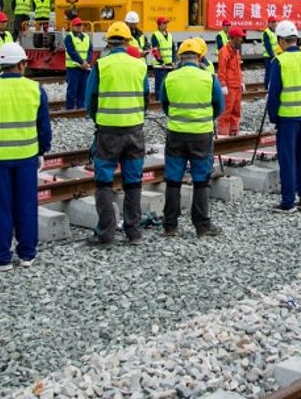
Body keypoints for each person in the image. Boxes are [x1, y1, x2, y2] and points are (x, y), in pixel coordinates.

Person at [0, 42, 51, 270]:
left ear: (0, 65)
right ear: (22, 64)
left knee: (1, 207)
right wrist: (42, 151)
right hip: (27, 156)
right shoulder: (35, 89)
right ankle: (27, 255)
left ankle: (1, 258)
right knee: (27, 205)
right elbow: (44, 127)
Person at [84, 21, 149, 247]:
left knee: (103, 182)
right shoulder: (139, 65)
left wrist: (100, 119)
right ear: (128, 42)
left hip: (108, 132)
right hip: (134, 130)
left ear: (108, 43)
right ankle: (134, 232)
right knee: (133, 181)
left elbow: (90, 100)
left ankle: (105, 234)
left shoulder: (101, 66)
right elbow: (145, 97)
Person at [159, 38, 224, 237]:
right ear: (200, 57)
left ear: (180, 58)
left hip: (176, 134)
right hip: (201, 135)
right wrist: (205, 119)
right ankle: (202, 226)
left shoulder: (170, 78)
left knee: (173, 178)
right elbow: (219, 106)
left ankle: (170, 225)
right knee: (201, 179)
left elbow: (164, 104)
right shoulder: (209, 78)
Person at [265, 20, 301, 212]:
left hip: (287, 118)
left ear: (281, 40)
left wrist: (273, 118)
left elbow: (274, 93)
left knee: (287, 160)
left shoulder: (279, 62)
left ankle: (288, 202)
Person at [217, 26, 245, 136]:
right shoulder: (224, 52)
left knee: (236, 111)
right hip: (229, 87)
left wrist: (241, 82)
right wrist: (223, 84)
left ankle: (233, 132)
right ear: (233, 38)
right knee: (226, 111)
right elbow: (221, 69)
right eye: (239, 37)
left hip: (236, 86)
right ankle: (223, 133)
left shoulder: (236, 51)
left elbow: (238, 69)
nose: (241, 40)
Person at [62, 11, 93, 111]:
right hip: (73, 67)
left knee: (83, 88)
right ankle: (70, 107)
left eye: (80, 25)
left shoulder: (86, 37)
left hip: (84, 67)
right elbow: (71, 51)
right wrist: (82, 62)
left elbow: (90, 50)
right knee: (72, 88)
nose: (79, 27)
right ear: (73, 27)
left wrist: (87, 62)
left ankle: (81, 107)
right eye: (77, 25)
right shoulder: (69, 37)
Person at [148, 16, 175, 100]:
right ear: (159, 25)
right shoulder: (155, 36)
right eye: (164, 23)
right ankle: (159, 102)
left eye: (166, 23)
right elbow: (155, 50)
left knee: (168, 86)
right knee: (160, 86)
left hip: (169, 66)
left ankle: (166, 102)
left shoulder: (169, 35)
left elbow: (173, 49)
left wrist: (174, 61)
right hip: (160, 66)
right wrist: (161, 62)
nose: (166, 25)